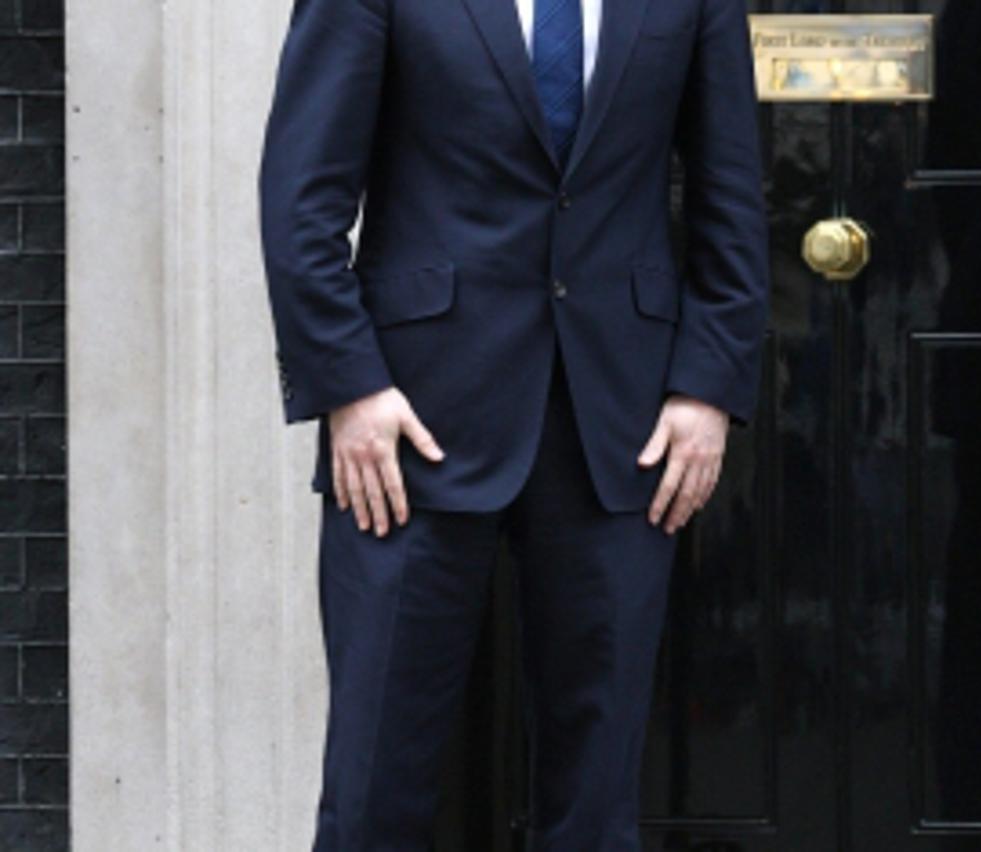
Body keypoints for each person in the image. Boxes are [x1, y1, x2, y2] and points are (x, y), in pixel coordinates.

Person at [256, 0, 770, 847]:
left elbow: (729, 195)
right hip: (407, 426)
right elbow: (301, 199)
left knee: (596, 797)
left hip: (623, 424)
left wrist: (707, 388)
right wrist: (350, 387)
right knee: (375, 779)